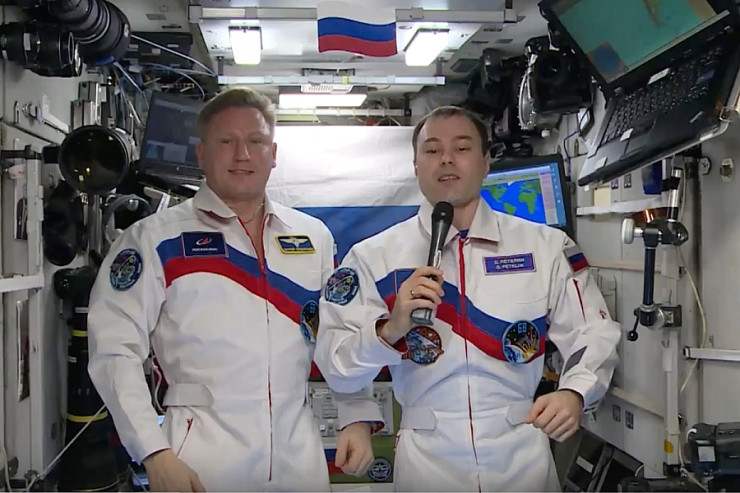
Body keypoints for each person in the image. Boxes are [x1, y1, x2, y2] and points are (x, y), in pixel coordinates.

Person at [315, 106, 621, 492]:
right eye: (432, 150)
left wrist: (576, 392)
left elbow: (593, 333)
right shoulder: (372, 257)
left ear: (486, 161)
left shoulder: (545, 247)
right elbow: (337, 365)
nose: (446, 159)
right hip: (427, 461)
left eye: (461, 148)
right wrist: (389, 330)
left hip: (521, 455)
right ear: (415, 166)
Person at [87, 88, 380, 492]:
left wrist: (355, 413)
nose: (242, 154)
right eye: (227, 141)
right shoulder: (154, 239)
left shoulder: (312, 237)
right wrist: (153, 450)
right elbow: (114, 351)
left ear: (273, 154)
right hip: (198, 459)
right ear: (201, 153)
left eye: (255, 141)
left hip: (298, 457)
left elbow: (336, 335)